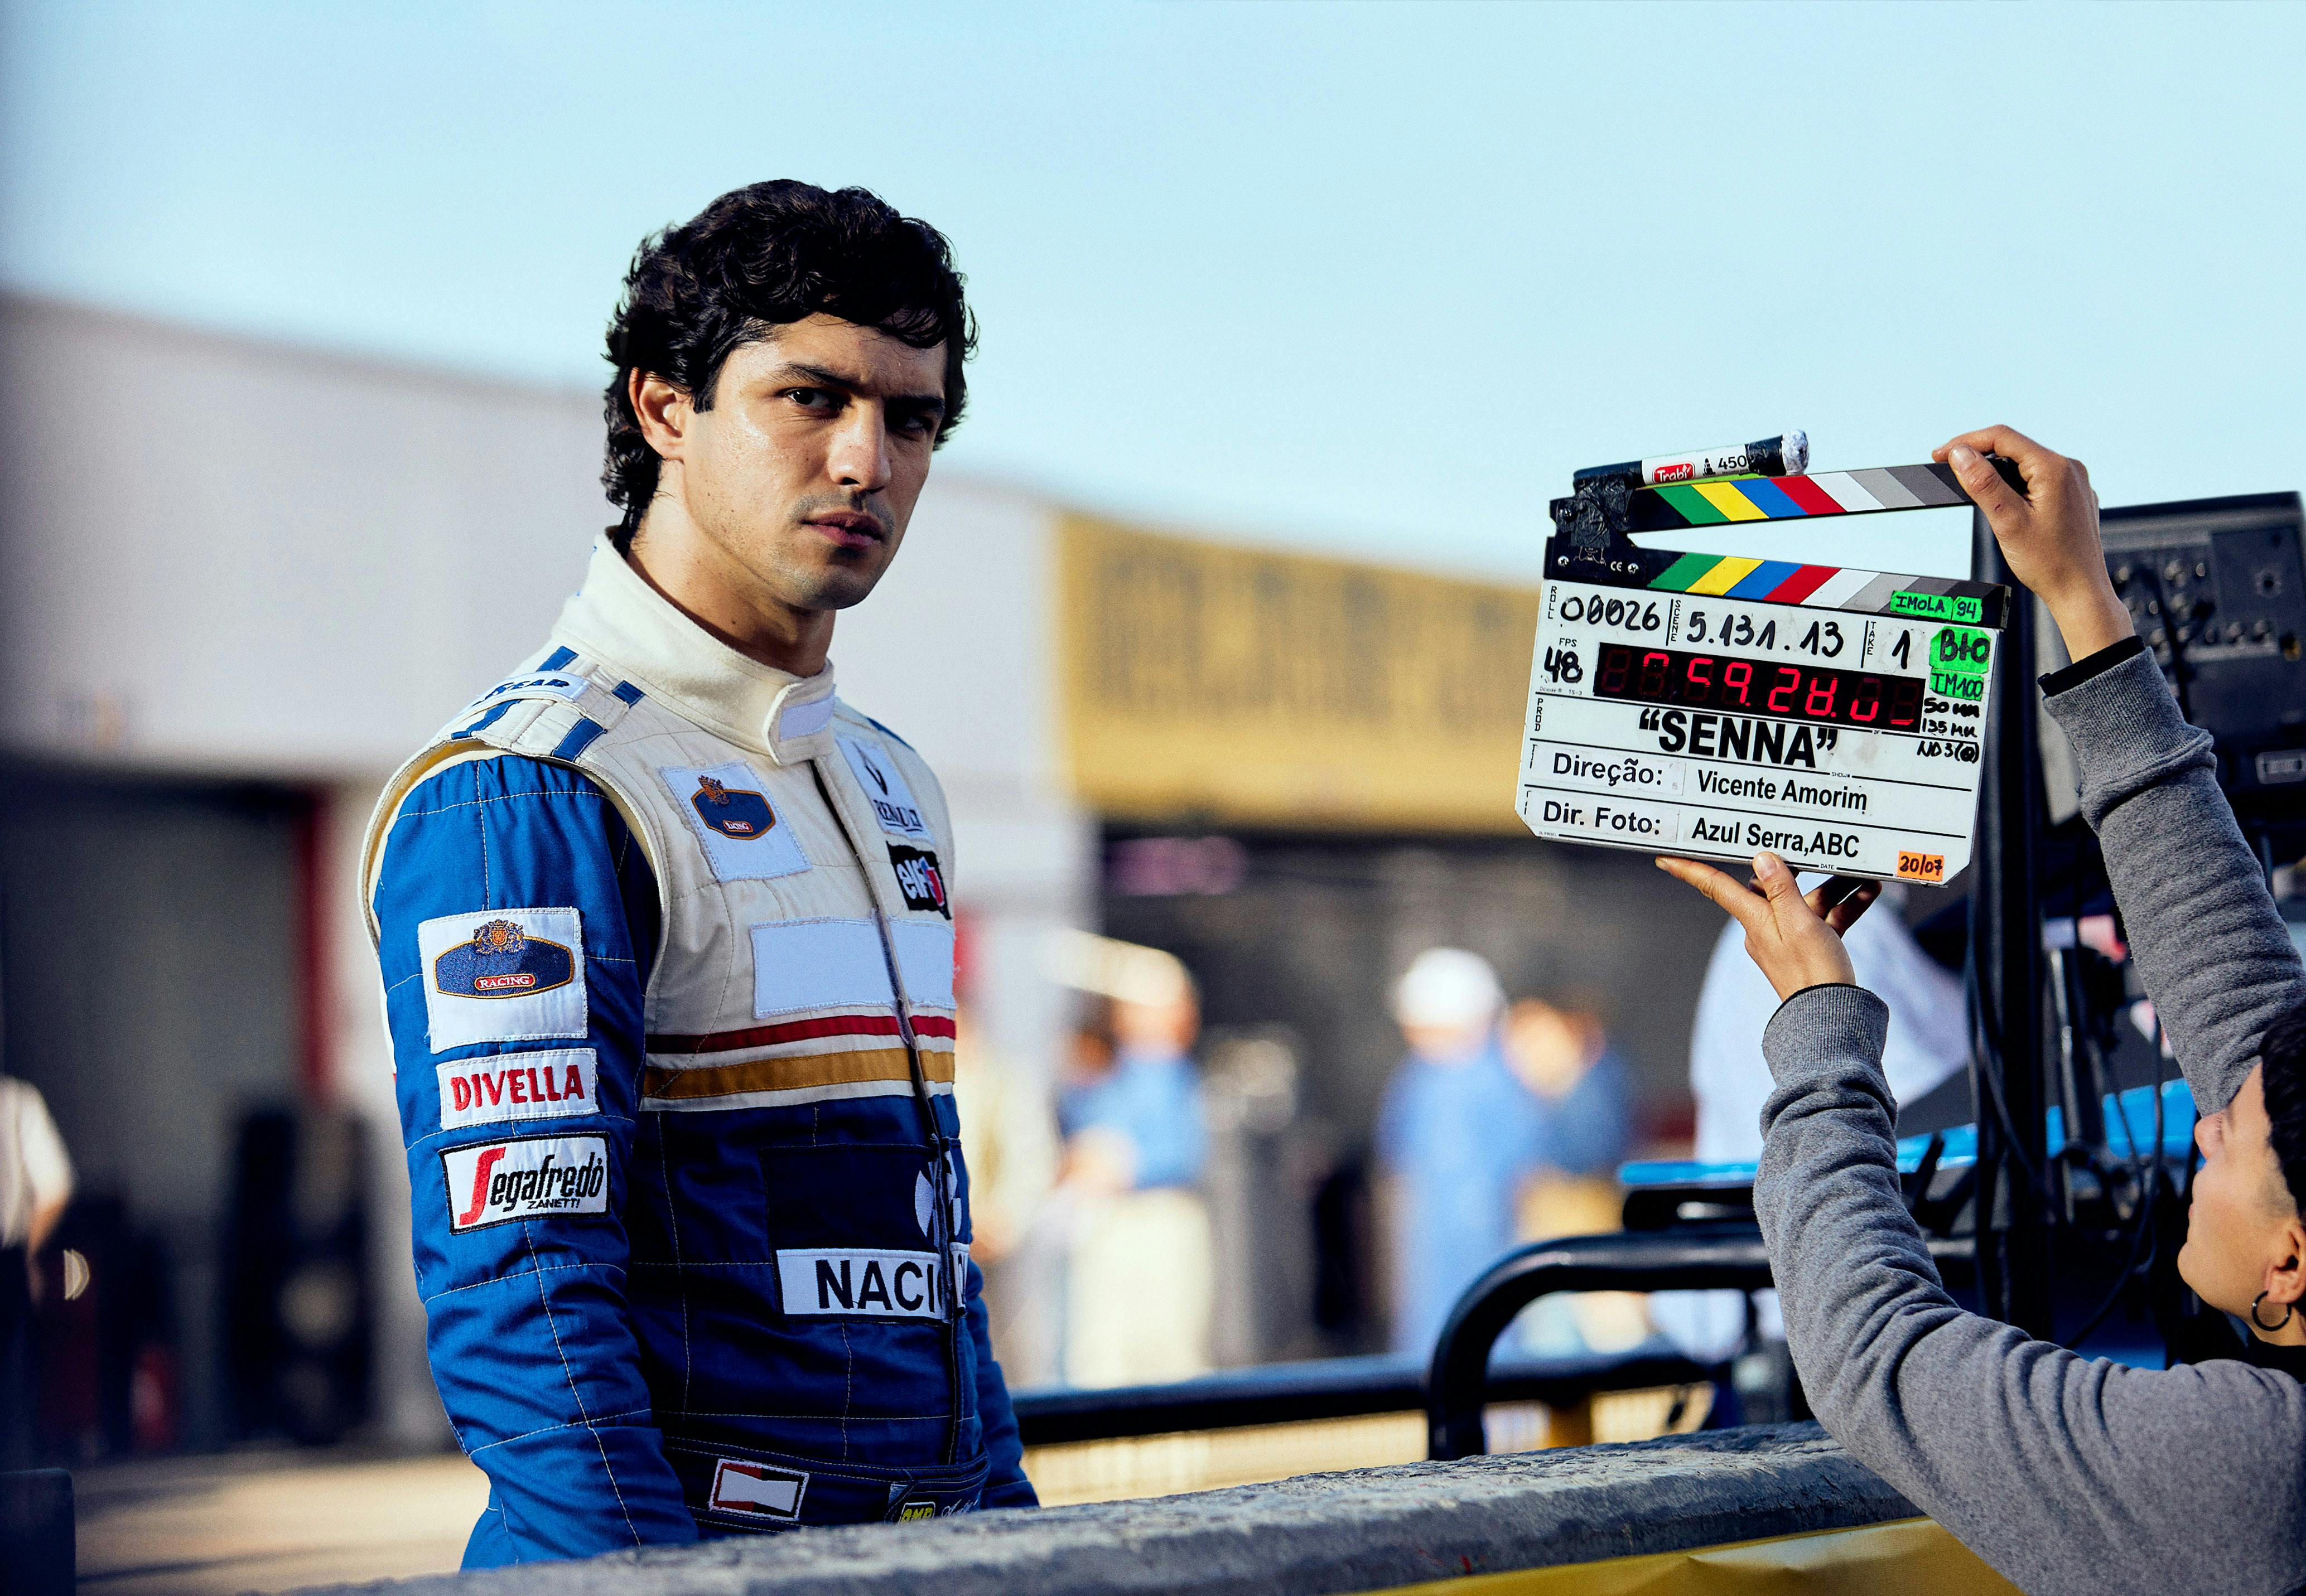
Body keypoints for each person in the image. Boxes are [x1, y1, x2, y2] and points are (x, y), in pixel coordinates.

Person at [360, 182, 1033, 1566]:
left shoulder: (890, 782)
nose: (867, 459)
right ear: (664, 408)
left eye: (911, 418)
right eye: (811, 397)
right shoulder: (530, 790)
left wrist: (1009, 1528)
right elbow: (528, 1303)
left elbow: (931, 1249)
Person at [1657, 425, 2306, 1596]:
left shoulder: (2252, 1475)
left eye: (2232, 1133)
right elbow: (2239, 989)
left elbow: (1877, 1353)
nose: (2207, 1117)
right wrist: (2082, 597)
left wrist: (1818, 1020)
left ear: (2290, 1264)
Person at [1657, 891, 1969, 1361]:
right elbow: (1926, 1103)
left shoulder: (1793, 926)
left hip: (1792, 1306)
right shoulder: (1836, 926)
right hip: (1816, 1321)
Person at [1376, 949, 1546, 1358]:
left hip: (1485, 1237)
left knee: (1488, 1328)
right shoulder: (1422, 1079)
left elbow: (1526, 1160)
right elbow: (1396, 1149)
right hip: (1434, 1238)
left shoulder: (1489, 1080)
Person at [1054, 956, 1214, 1386]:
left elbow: (1184, 1153)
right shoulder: (1105, 1073)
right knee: (1101, 1349)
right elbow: (1077, 1136)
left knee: (1167, 1349)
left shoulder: (1175, 1075)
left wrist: (1126, 1165)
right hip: (1108, 1222)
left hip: (1160, 1218)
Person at [0, 1074, 73, 1467]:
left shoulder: (17, 1102)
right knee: (12, 1389)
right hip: (8, 1259)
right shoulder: (16, 1102)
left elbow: (54, 1187)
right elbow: (54, 1187)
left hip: (8, 1259)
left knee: (14, 1385)